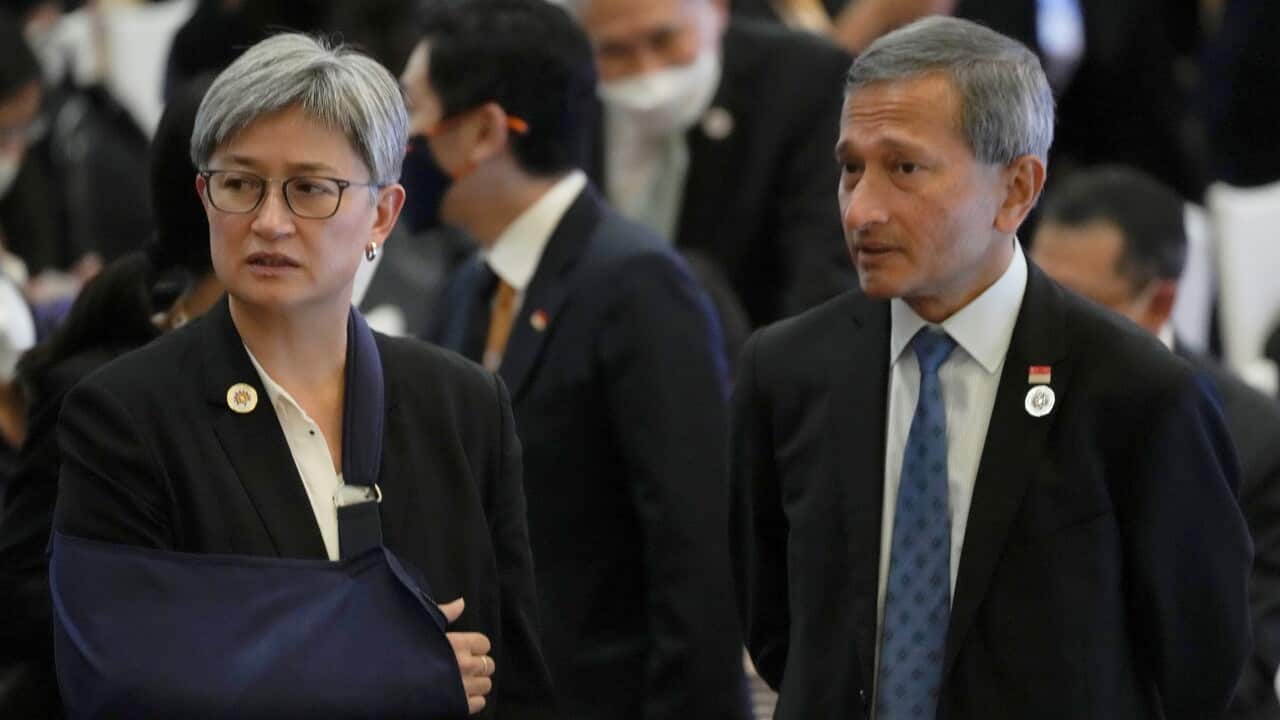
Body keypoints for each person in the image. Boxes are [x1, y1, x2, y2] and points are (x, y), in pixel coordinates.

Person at [730, 16, 1252, 719]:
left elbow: (1200, 660)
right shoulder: (786, 370)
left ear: (1016, 189)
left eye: (904, 168)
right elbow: (778, 628)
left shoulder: (1135, 393)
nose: (861, 210)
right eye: (851, 168)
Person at [50, 33, 554, 717]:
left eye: (311, 188)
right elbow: (116, 677)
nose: (269, 221)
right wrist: (384, 671)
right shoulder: (123, 415)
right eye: (239, 184)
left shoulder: (462, 403)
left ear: (382, 213)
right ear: (204, 197)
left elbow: (515, 679)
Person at [409, 2, 746, 717]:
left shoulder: (636, 282)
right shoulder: (471, 285)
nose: (396, 141)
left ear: (484, 132)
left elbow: (696, 557)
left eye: (413, 110)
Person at [1030, 165, 1280, 720]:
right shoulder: (997, 387)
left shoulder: (1252, 440)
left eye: (1078, 306)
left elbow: (1241, 681)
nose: (1048, 328)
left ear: (1160, 302)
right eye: (1036, 297)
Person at [562, 0, 855, 327]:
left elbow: (824, 276)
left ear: (717, 10)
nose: (646, 70)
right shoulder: (564, 92)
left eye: (663, 40)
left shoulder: (804, 81)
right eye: (614, 51)